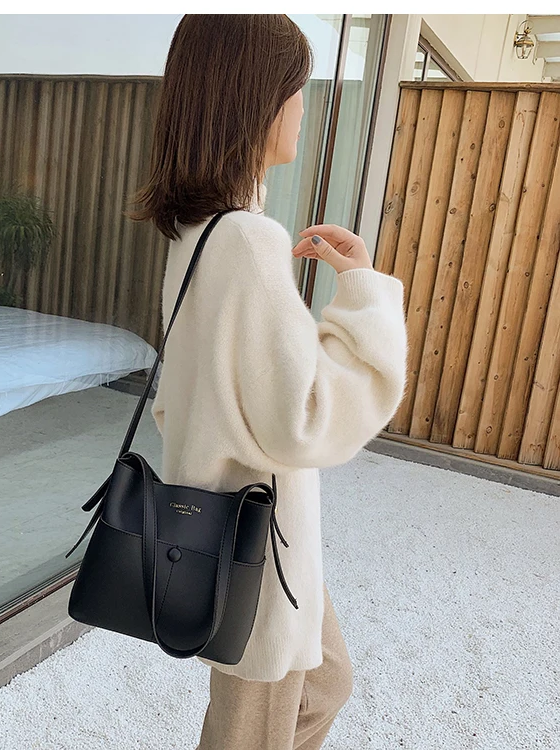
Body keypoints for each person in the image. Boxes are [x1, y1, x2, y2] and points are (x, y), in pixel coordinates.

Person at [131, 15, 408, 750]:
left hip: (239, 525)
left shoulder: (199, 232)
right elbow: (308, 418)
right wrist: (365, 296)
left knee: (323, 683)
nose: (304, 107)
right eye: (297, 89)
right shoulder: (248, 240)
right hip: (256, 535)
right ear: (255, 99)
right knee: (254, 731)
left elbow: (181, 396)